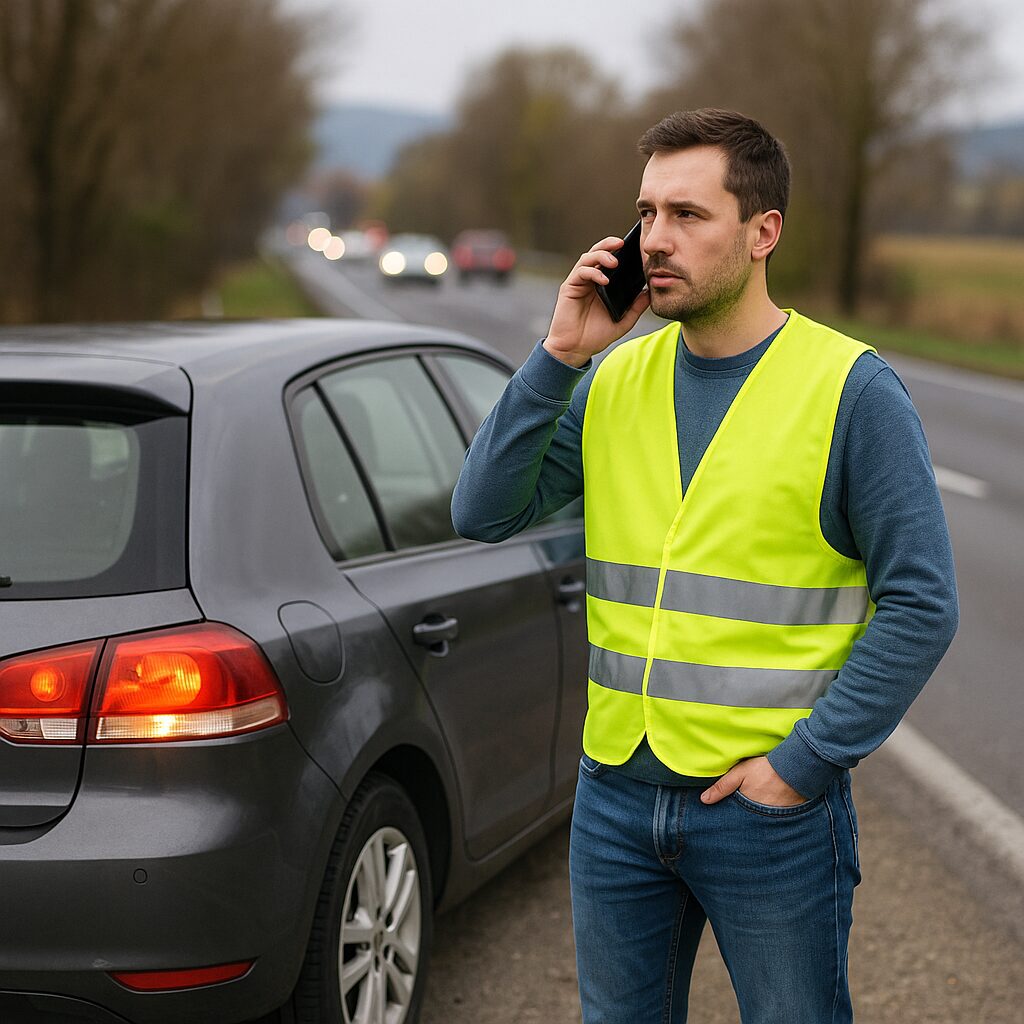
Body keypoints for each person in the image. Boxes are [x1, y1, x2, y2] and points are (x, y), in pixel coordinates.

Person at [451, 108, 959, 1024]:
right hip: (613, 799)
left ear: (763, 232)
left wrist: (803, 764)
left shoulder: (852, 390)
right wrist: (559, 355)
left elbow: (923, 603)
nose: (656, 241)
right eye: (646, 214)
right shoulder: (610, 378)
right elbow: (481, 511)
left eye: (688, 215)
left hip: (769, 813)